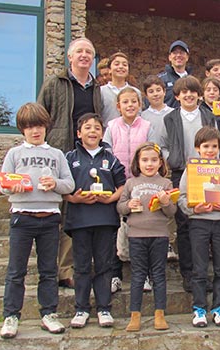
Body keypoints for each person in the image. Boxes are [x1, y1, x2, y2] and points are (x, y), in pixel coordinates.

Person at [0, 102, 75, 339]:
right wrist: (13, 187)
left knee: (49, 270)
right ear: (22, 130)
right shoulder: (15, 153)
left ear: (46, 127)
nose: (35, 131)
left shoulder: (56, 154)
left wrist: (56, 184)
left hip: (50, 217)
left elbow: (69, 184)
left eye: (39, 126)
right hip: (22, 217)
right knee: (15, 271)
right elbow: (2, 184)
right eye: (30, 127)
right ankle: (11, 317)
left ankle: (49, 314)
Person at [37, 37, 103, 289]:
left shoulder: (96, 87)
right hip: (60, 152)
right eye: (80, 52)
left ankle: (77, 265)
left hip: (88, 154)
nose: (85, 55)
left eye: (89, 51)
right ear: (70, 57)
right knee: (62, 211)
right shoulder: (55, 83)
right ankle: (61, 269)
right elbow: (40, 115)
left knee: (81, 209)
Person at [63, 113, 126, 329]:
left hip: (105, 219)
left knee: (104, 265)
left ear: (102, 132)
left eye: (97, 128)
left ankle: (104, 308)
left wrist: (111, 198)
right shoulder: (69, 158)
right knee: (81, 266)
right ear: (79, 133)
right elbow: (62, 188)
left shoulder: (111, 158)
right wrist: (74, 198)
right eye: (87, 128)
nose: (93, 131)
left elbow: (122, 185)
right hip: (79, 220)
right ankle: (81, 308)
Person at [159, 75, 217, 292]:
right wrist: (173, 157)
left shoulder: (208, 116)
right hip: (181, 171)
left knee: (204, 224)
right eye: (184, 92)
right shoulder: (170, 118)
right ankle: (188, 273)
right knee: (184, 224)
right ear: (177, 96)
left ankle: (203, 273)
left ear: (199, 94)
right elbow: (163, 144)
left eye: (193, 91)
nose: (189, 95)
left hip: (206, 172)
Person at [178, 126, 220, 328]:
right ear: (198, 148)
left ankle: (219, 307)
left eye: (214, 146)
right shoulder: (191, 169)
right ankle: (199, 308)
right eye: (206, 146)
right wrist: (195, 210)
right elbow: (182, 198)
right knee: (199, 268)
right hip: (199, 223)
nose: (210, 150)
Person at [117, 142, 176, 332]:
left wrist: (166, 202)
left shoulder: (165, 183)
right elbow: (120, 206)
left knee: (158, 275)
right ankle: (135, 315)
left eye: (153, 160)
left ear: (160, 163)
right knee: (138, 276)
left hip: (159, 235)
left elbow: (171, 212)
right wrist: (128, 205)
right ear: (137, 162)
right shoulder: (131, 183)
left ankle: (160, 313)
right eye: (144, 160)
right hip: (136, 235)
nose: (149, 164)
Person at [103, 87, 154, 293]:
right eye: (125, 102)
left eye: (134, 101)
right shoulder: (111, 126)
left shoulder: (147, 126)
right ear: (118, 106)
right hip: (118, 183)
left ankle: (144, 275)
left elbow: (153, 151)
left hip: (142, 183)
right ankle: (115, 274)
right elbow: (106, 154)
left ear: (140, 105)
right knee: (116, 229)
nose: (130, 105)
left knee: (143, 229)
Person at [141, 75, 178, 261]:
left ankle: (170, 241)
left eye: (158, 90)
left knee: (167, 200)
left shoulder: (173, 113)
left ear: (165, 91)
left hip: (168, 163)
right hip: (148, 164)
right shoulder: (143, 116)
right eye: (151, 91)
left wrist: (169, 159)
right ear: (146, 95)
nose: (155, 94)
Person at [100, 52, 142, 124]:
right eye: (116, 64)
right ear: (109, 69)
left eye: (124, 65)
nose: (121, 67)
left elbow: (138, 115)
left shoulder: (136, 92)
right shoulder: (101, 91)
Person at [159, 40, 192, 108]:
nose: (178, 55)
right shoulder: (160, 80)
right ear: (170, 57)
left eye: (182, 52)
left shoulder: (193, 81)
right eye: (175, 53)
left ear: (187, 57)